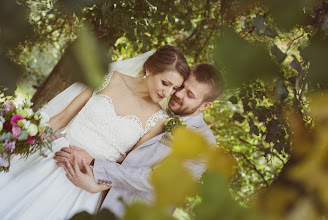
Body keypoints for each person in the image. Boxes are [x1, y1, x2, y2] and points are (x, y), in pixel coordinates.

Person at [0, 45, 190, 220]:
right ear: (149, 70)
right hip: (54, 156)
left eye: (174, 88)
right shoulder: (109, 78)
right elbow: (62, 118)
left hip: (83, 181)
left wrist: (96, 185)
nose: (167, 93)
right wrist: (24, 139)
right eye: (165, 83)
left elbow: (128, 170)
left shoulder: (158, 120)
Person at [55, 63, 224, 217]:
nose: (178, 94)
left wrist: (95, 163)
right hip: (95, 197)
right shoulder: (158, 102)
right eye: (182, 87)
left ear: (205, 105)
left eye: (190, 94)